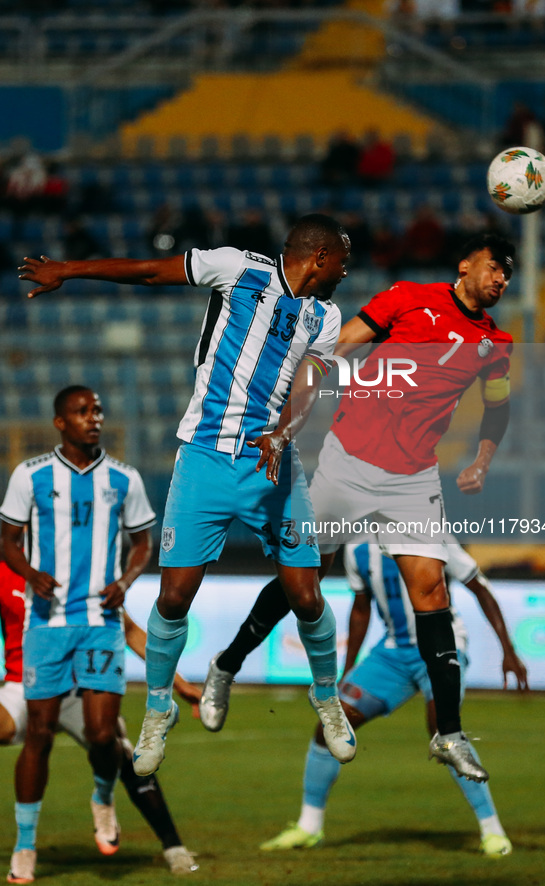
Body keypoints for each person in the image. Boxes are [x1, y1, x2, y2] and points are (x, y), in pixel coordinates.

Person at [17, 214, 356, 777]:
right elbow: (152, 272)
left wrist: (282, 433)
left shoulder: (325, 316)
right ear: (319, 256)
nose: (347, 271)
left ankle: (327, 699)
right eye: (343, 259)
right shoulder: (239, 268)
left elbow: (310, 383)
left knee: (307, 593)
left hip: (274, 463)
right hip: (203, 458)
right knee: (174, 597)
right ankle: (157, 710)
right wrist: (69, 271)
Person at [197, 232, 516, 784]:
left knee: (432, 591)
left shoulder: (499, 345)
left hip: (414, 477)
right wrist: (286, 421)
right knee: (304, 576)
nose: (501, 279)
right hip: (350, 460)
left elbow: (496, 412)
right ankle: (226, 664)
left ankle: (450, 733)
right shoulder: (407, 297)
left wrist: (483, 459)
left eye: (508, 274)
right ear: (465, 264)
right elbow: (334, 350)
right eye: (494, 267)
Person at [259, 539, 528, 857]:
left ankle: (493, 832)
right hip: (393, 654)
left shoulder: (427, 531)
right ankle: (309, 827)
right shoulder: (356, 546)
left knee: (443, 730)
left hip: (444, 644)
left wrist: (508, 651)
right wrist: (348, 669)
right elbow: (361, 608)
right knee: (330, 726)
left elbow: (479, 587)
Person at [0, 386, 157, 884]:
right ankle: (25, 846)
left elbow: (142, 543)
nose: (95, 419)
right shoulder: (29, 476)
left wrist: (126, 582)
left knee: (102, 734)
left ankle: (103, 798)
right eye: (83, 412)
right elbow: (7, 539)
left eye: (98, 411)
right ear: (60, 423)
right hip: (47, 623)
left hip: (101, 624)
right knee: (39, 735)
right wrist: (29, 572)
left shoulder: (124, 478)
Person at [0, 548, 199, 875]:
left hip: (82, 690)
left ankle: (173, 846)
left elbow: (130, 630)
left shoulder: (76, 570)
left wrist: (178, 684)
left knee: (115, 747)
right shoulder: (5, 572)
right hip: (23, 686)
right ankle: (24, 846)